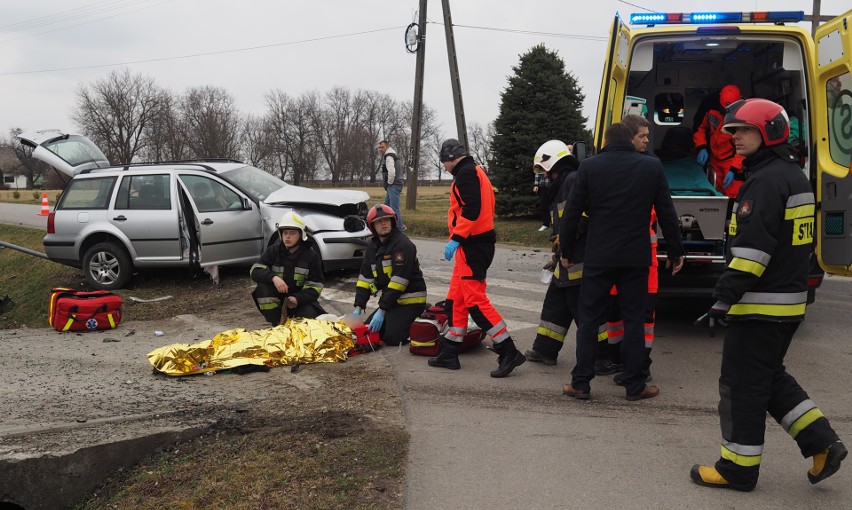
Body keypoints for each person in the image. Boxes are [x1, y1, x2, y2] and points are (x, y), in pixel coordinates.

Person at [690, 98, 847, 491]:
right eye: (731, 131)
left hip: (760, 305)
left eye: (742, 131)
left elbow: (753, 251)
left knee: (742, 385)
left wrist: (723, 296)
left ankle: (737, 469)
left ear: (768, 133)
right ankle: (822, 443)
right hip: (785, 303)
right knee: (768, 378)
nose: (733, 138)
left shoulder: (765, 180)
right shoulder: (791, 175)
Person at [559, 123, 684, 401]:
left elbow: (572, 214)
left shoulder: (590, 167)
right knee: (634, 320)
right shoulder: (651, 167)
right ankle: (635, 384)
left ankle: (581, 383)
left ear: (606, 139)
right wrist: (676, 251)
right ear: (630, 138)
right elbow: (666, 211)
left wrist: (565, 251)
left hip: (599, 257)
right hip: (635, 258)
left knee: (590, 319)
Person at [427, 138, 526, 377]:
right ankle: (450, 351)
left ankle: (508, 351)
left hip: (473, 247)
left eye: (443, 162)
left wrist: (457, 238)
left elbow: (472, 208)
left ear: (451, 158)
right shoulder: (474, 172)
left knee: (475, 303)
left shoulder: (466, 174)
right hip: (471, 246)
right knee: (455, 300)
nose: (443, 167)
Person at [523, 140, 583, 365]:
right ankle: (545, 350)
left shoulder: (571, 181)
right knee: (555, 306)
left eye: (547, 170)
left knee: (585, 313)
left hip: (577, 260)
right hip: (566, 258)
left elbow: (578, 220)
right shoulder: (565, 182)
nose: (545, 176)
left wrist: (564, 246)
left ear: (557, 164)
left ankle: (604, 357)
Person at [354, 204, 427, 346]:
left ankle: (421, 314)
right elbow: (365, 280)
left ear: (392, 222)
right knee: (370, 331)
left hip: (411, 301)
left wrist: (382, 310)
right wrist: (358, 307)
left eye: (386, 220)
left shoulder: (403, 245)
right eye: (378, 222)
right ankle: (392, 317)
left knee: (392, 338)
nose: (383, 223)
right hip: (392, 302)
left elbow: (398, 282)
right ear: (372, 226)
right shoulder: (372, 248)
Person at [250, 211, 326, 325]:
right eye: (285, 232)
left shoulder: (311, 256)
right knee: (263, 289)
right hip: (279, 302)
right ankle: (277, 324)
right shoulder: (273, 251)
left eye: (292, 233)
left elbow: (315, 287)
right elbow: (255, 271)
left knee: (310, 318)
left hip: (300, 302)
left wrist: (297, 298)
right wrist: (274, 278)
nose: (288, 236)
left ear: (301, 234)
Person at [694, 85, 745, 198]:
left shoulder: (743, 118)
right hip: (714, 161)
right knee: (715, 195)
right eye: (723, 109)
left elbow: (744, 147)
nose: (724, 112)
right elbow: (701, 128)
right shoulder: (711, 110)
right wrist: (702, 147)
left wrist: (734, 169)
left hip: (731, 161)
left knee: (733, 194)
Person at [377, 140, 406, 231]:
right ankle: (388, 227)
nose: (380, 149)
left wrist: (389, 183)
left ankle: (400, 228)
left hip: (394, 184)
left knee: (393, 208)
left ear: (387, 147)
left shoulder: (389, 156)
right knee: (386, 207)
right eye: (379, 147)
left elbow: (392, 171)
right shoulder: (392, 155)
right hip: (395, 184)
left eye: (382, 147)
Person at [533, 167, 552, 232]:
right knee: (544, 206)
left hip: (553, 186)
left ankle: (554, 223)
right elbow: (537, 173)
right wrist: (536, 185)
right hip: (543, 187)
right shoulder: (540, 163)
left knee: (554, 206)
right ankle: (545, 224)